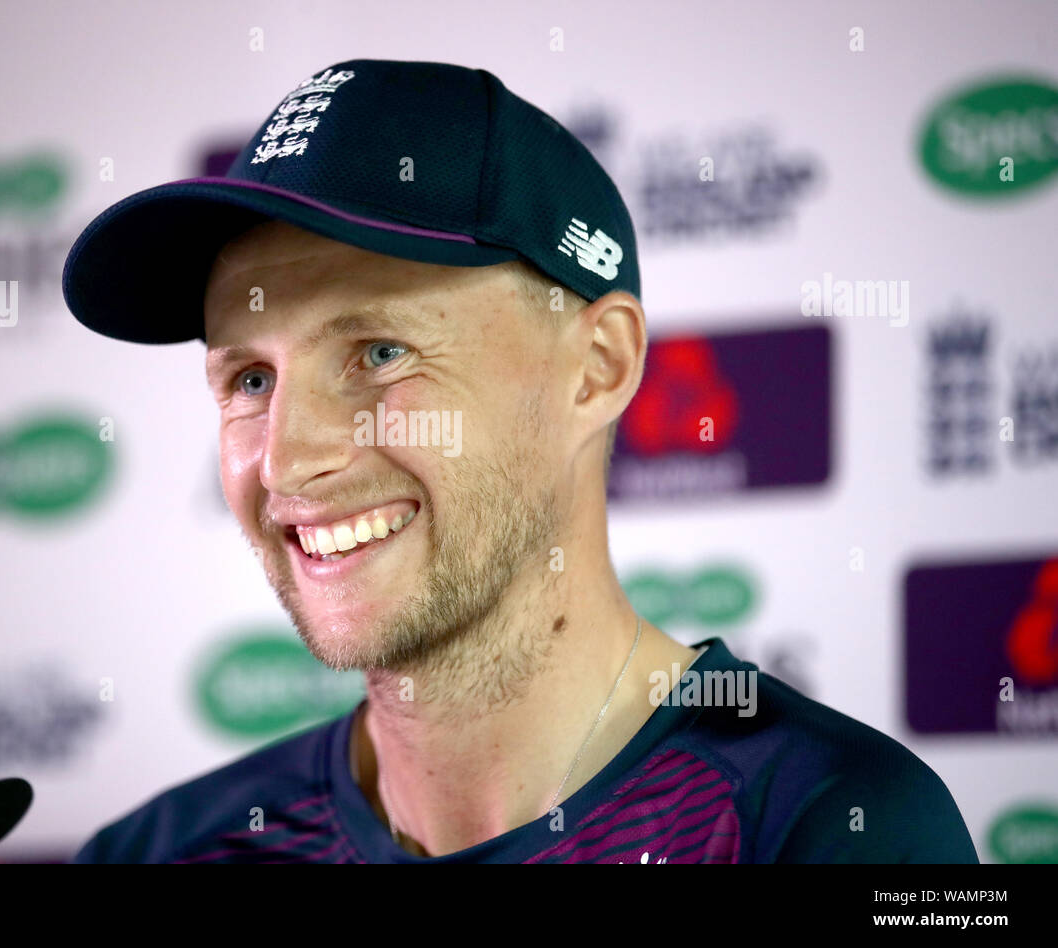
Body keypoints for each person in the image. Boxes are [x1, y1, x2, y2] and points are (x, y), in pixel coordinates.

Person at [62, 58, 977, 863]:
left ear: (598, 368)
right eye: (252, 378)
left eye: (381, 352)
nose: (287, 462)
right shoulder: (162, 851)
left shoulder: (828, 826)